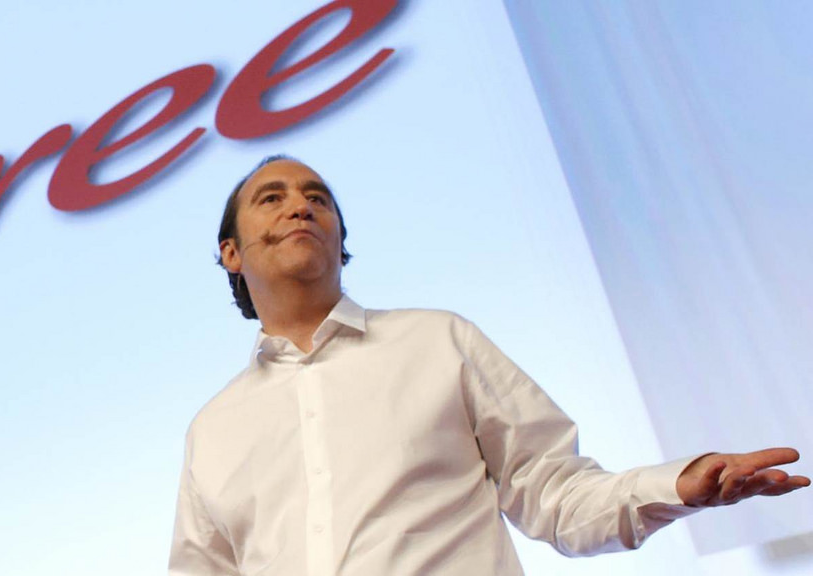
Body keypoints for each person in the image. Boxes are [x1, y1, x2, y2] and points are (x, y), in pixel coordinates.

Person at [168, 156, 809, 575]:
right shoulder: (213, 429)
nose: (301, 206)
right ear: (231, 253)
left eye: (318, 198)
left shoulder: (437, 342)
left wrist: (678, 486)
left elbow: (555, 497)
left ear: (341, 241)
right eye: (272, 198)